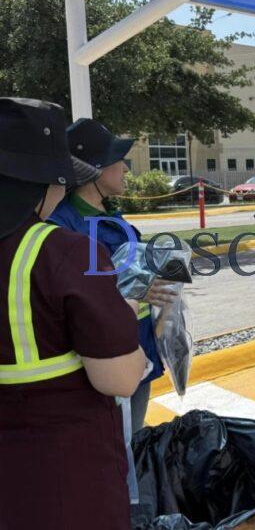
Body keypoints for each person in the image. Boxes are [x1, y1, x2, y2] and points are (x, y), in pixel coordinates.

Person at [0, 97, 147, 529]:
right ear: (45, 183)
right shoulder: (63, 251)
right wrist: (127, 310)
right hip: (64, 472)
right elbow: (119, 377)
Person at [48, 118, 178, 432]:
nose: (125, 168)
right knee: (116, 456)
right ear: (95, 170)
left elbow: (130, 275)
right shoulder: (62, 227)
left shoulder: (110, 216)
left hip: (137, 354)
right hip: (102, 366)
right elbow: (75, 300)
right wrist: (136, 289)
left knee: (131, 449)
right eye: (118, 161)